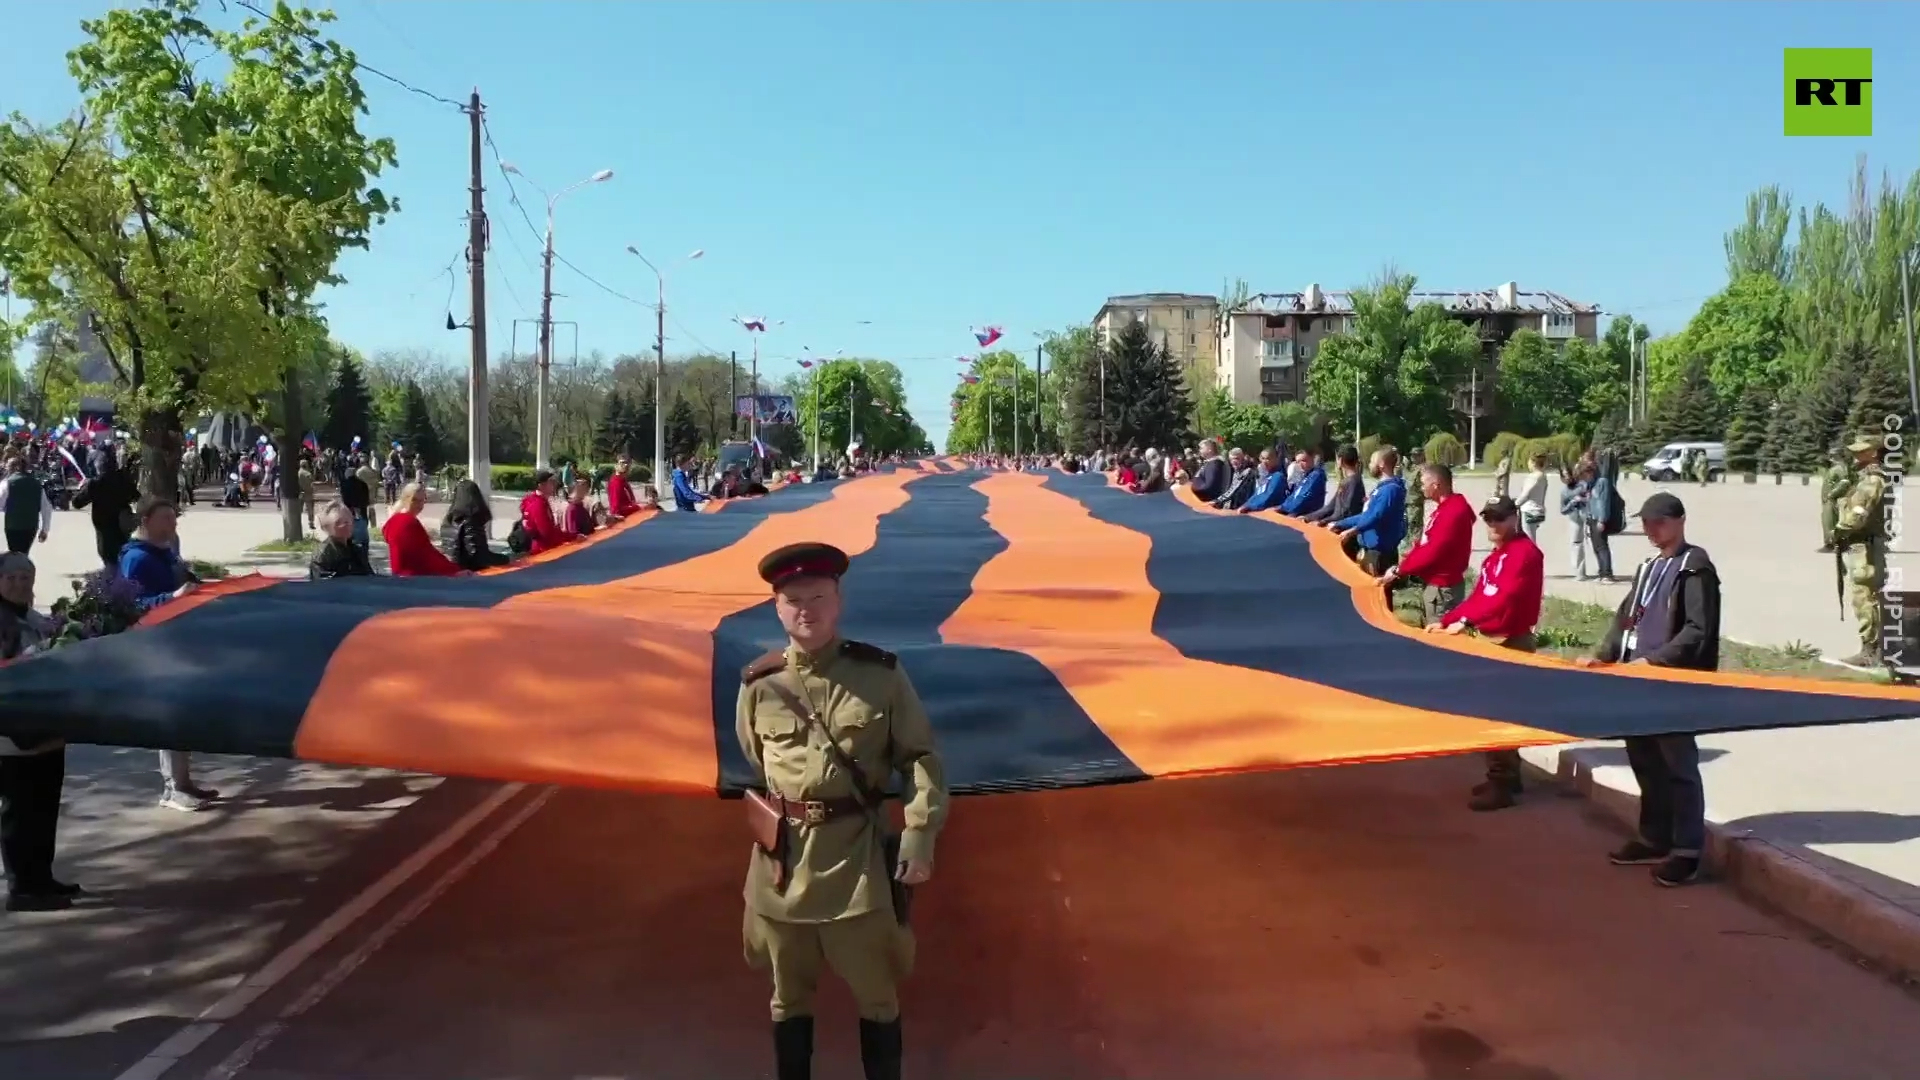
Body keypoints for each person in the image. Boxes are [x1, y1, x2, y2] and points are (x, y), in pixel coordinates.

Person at [737, 542, 948, 1080]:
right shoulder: (759, 684)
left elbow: (919, 758)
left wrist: (919, 835)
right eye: (792, 599)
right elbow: (755, 757)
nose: (806, 608)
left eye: (818, 595)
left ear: (838, 601)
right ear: (776, 608)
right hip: (782, 869)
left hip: (857, 867)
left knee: (877, 996)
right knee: (788, 999)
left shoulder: (880, 675)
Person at [1577, 492, 1720, 887]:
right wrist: (1603, 655)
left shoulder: (1695, 567)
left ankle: (1687, 852)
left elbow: (1697, 631)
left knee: (1679, 768)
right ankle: (1655, 837)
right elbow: (1625, 618)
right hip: (1636, 680)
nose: (1651, 529)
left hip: (1672, 683)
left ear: (1680, 521)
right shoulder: (1648, 567)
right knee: (1645, 760)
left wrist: (1655, 661)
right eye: (1646, 522)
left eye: (1659, 522)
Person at [1428, 497, 1545, 811]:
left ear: (1514, 517)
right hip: (1490, 638)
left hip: (1510, 641)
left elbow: (1505, 598)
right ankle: (1506, 774)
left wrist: (1464, 622)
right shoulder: (1495, 558)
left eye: (1499, 519)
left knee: (1500, 713)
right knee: (1491, 710)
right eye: (1489, 519)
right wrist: (1448, 620)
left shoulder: (1525, 555)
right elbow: (1480, 597)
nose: (1493, 525)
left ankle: (1502, 781)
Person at [119, 496, 221, 812]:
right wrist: (172, 596)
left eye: (174, 519)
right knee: (170, 713)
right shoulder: (136, 558)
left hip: (178, 639)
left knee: (183, 712)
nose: (172, 525)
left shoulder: (165, 553)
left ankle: (184, 782)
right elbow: (129, 604)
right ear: (145, 520)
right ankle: (173, 788)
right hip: (156, 644)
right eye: (166, 519)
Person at [0, 552, 82, 911]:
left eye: (26, 577)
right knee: (20, 812)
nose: (20, 584)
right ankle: (22, 888)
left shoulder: (37, 617)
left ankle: (42, 877)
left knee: (45, 807)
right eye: (12, 578)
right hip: (13, 736)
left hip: (46, 729)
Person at [1382, 463, 1473, 622]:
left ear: (1436, 485)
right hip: (1438, 585)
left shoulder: (1451, 512)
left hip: (1442, 589)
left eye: (1424, 484)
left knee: (1439, 638)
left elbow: (1432, 551)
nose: (1422, 488)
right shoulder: (1446, 508)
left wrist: (1400, 570)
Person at [1833, 433, 1890, 667]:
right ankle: (1871, 649)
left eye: (1862, 450)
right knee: (1863, 598)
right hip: (1861, 545)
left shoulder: (1872, 479)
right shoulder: (1863, 476)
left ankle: (1871, 651)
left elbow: (1858, 513)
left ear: (1874, 452)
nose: (1856, 453)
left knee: (1865, 599)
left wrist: (1839, 530)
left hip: (1865, 547)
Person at [1331, 448, 1407, 576]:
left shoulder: (1390, 490)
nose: (1369, 465)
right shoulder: (1381, 489)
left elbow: (1375, 516)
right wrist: (1339, 524)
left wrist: (1352, 531)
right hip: (1370, 550)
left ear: (1381, 464)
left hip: (1380, 553)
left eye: (1372, 461)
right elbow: (1366, 516)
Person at [71, 446, 140, 570]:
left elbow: (77, 503)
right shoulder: (123, 479)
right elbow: (136, 496)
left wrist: (83, 487)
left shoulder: (95, 484)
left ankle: (113, 585)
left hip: (104, 527)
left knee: (109, 559)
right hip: (122, 524)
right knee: (122, 556)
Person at [382, 483, 463, 577]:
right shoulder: (408, 522)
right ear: (405, 499)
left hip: (399, 575)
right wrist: (454, 571)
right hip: (412, 578)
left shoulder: (393, 520)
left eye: (422, 501)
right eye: (415, 500)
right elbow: (427, 555)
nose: (419, 505)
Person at [440, 480, 511, 572]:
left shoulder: (448, 520)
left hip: (453, 569)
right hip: (469, 573)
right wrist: (504, 559)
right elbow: (477, 556)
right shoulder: (471, 521)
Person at [0, 457, 53, 556]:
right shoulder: (36, 483)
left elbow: (1, 503)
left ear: (16, 467)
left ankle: (17, 569)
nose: (6, 468)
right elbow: (46, 508)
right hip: (31, 526)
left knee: (14, 553)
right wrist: (45, 529)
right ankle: (24, 568)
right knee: (24, 553)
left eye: (8, 466)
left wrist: (9, 507)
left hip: (13, 525)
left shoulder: (7, 483)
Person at [310, 502, 376, 580]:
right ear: (327, 527)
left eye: (349, 520)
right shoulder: (323, 554)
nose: (348, 525)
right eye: (339, 522)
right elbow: (324, 585)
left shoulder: (356, 549)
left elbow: (370, 576)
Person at [518, 469, 570, 554]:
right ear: (541, 485)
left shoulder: (540, 501)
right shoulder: (538, 505)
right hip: (543, 552)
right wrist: (571, 536)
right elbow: (547, 534)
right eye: (551, 482)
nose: (554, 485)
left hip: (543, 550)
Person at [1817, 445, 1853, 554]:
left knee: (1832, 522)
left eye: (1833, 456)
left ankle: (1833, 544)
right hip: (1829, 501)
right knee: (1827, 521)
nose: (1830, 458)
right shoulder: (1835, 468)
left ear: (1838, 456)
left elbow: (1845, 483)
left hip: (1834, 500)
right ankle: (1830, 543)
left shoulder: (1841, 468)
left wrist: (1832, 494)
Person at [1561, 463, 1593, 581]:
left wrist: (1583, 499)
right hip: (1574, 519)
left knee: (1594, 542)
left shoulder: (1583, 485)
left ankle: (1604, 571)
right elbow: (1563, 510)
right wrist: (1572, 503)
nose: (1567, 478)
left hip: (1587, 516)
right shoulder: (1564, 491)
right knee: (1576, 543)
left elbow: (1591, 498)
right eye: (1564, 476)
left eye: (1568, 475)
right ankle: (1580, 573)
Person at [339, 463, 374, 553]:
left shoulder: (344, 484)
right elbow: (366, 497)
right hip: (361, 509)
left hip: (349, 509)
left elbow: (344, 497)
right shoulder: (363, 484)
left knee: (349, 529)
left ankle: (349, 547)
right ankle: (364, 548)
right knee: (363, 528)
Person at [1516, 453, 1550, 543]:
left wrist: (1514, 504)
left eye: (1529, 462)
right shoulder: (1543, 476)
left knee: (1529, 539)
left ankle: (1532, 556)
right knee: (1531, 536)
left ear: (1533, 463)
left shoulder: (1533, 477)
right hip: (1539, 510)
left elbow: (1526, 494)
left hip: (1530, 511)